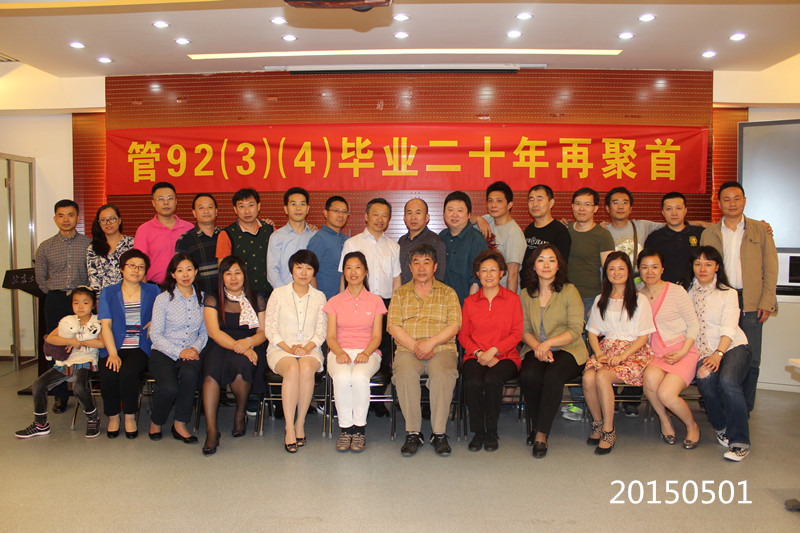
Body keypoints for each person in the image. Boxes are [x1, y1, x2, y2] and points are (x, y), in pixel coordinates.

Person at [700, 181, 778, 412]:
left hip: (750, 300)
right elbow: (703, 269)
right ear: (719, 203)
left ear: (744, 200)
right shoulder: (709, 233)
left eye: (737, 198)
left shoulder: (760, 230)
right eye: (726, 199)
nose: (732, 203)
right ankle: (719, 405)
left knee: (751, 357)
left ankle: (744, 408)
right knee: (717, 351)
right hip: (720, 299)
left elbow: (771, 268)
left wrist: (767, 301)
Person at [388, 244, 461, 457]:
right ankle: (413, 432)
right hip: (408, 349)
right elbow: (393, 326)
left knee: (443, 374)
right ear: (410, 267)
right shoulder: (400, 294)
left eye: (426, 262)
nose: (421, 268)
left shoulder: (448, 293)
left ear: (435, 266)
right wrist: (416, 346)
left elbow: (455, 325)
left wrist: (430, 344)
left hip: (442, 349)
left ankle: (439, 433)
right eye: (416, 263)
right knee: (405, 373)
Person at [518, 244, 587, 458]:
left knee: (552, 375)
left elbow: (575, 329)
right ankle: (538, 423)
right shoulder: (525, 294)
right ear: (533, 266)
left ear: (558, 266)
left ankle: (541, 434)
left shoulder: (569, 291)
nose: (546, 265)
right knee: (528, 375)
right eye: (541, 260)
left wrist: (548, 344)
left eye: (551, 260)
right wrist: (538, 347)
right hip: (536, 347)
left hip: (568, 349)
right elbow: (524, 329)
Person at [583, 252, 655, 455]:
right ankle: (598, 424)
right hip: (606, 350)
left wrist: (623, 356)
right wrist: (599, 354)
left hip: (633, 351)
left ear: (629, 272)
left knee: (603, 376)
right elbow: (592, 332)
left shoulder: (640, 299)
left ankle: (609, 430)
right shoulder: (600, 299)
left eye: (621, 268)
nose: (616, 273)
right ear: (606, 272)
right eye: (611, 269)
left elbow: (643, 337)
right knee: (588, 378)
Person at [686, 246, 752, 461]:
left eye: (708, 264)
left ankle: (740, 441)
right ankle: (721, 426)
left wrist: (718, 354)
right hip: (703, 351)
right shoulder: (686, 293)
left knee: (728, 382)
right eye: (697, 264)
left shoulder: (728, 293)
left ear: (717, 267)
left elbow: (729, 328)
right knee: (705, 377)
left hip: (732, 346)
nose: (702, 268)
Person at [15, 287, 104, 439]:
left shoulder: (98, 321)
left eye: (85, 302)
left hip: (86, 361)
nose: (80, 306)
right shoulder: (67, 320)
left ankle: (93, 419)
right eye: (76, 302)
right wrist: (69, 341)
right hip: (65, 362)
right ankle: (41, 424)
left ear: (93, 305)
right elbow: (50, 338)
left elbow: (101, 343)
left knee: (78, 387)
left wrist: (80, 342)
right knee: (38, 385)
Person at [201, 256, 267, 456]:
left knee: (241, 369)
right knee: (211, 376)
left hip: (250, 342)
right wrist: (241, 347)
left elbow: (263, 332)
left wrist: (248, 343)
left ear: (244, 275)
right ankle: (212, 430)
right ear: (222, 277)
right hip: (221, 343)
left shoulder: (257, 298)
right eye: (228, 273)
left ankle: (240, 414)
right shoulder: (212, 298)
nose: (233, 278)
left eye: (237, 273)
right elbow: (214, 332)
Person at [458, 249, 522, 453]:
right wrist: (479, 353)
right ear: (477, 274)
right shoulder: (469, 302)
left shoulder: (513, 299)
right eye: (483, 270)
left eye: (493, 270)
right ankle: (478, 432)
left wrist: (494, 351)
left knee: (493, 380)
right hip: (475, 355)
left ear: (502, 273)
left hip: (506, 356)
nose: (488, 274)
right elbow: (463, 335)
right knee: (473, 381)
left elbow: (516, 333)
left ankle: (492, 431)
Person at [637, 249, 701, 449]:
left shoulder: (676, 291)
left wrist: (683, 352)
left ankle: (692, 426)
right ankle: (664, 420)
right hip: (655, 354)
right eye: (645, 267)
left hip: (681, 351)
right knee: (650, 380)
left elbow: (694, 325)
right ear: (638, 270)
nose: (650, 272)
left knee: (666, 394)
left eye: (655, 267)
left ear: (662, 269)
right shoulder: (637, 295)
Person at [323, 251, 386, 452]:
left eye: (358, 267)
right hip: (339, 351)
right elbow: (330, 337)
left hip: (369, 352)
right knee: (342, 377)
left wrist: (366, 353)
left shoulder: (376, 301)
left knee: (359, 377)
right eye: (348, 268)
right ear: (344, 273)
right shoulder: (334, 301)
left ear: (365, 271)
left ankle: (359, 430)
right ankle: (345, 429)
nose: (353, 272)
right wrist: (339, 352)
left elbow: (377, 337)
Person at [265, 250, 327, 453]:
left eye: (308, 268)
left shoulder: (319, 297)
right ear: (291, 270)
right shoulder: (278, 294)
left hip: (311, 349)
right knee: (292, 368)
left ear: (314, 272)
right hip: (280, 348)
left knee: (306, 368)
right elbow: (270, 329)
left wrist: (306, 348)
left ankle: (300, 423)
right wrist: (289, 348)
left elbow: (321, 331)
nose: (303, 272)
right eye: (299, 267)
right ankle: (289, 427)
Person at [35, 199, 92, 413]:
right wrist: (54, 293)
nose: (66, 219)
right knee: (55, 346)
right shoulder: (45, 246)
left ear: (78, 217)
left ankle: (83, 390)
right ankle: (59, 395)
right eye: (61, 215)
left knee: (84, 343)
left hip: (82, 301)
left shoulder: (88, 244)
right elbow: (41, 278)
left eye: (70, 215)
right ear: (55, 219)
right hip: (56, 300)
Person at [562, 187, 614, 421]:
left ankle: (585, 403)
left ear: (595, 208)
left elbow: (609, 271)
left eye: (587, 204)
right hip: (565, 299)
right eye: (578, 204)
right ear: (572, 206)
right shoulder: (566, 232)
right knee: (571, 349)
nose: (581, 209)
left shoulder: (602, 235)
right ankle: (578, 399)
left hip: (591, 299)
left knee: (587, 348)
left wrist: (602, 302)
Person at [97, 249, 160, 439]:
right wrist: (112, 353)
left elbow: (164, 313)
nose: (136, 270)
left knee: (128, 373)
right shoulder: (109, 292)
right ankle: (113, 416)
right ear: (122, 269)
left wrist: (155, 321)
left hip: (139, 347)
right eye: (131, 265)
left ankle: (130, 416)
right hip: (113, 346)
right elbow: (106, 326)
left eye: (141, 267)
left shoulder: (153, 291)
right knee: (108, 374)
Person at [148, 253, 207, 443]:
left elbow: (204, 332)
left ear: (196, 272)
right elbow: (155, 334)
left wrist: (194, 349)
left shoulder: (203, 298)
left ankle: (180, 424)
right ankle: (156, 421)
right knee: (170, 388)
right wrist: (179, 351)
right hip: (164, 351)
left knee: (189, 375)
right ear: (173, 274)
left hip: (191, 351)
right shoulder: (163, 299)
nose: (185, 274)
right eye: (180, 270)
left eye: (189, 269)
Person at [216, 188, 274, 298]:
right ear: (235, 209)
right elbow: (224, 270)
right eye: (242, 206)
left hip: (271, 292)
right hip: (242, 296)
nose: (247, 211)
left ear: (258, 206)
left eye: (251, 205)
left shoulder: (271, 230)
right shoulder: (226, 234)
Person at [133, 182, 194, 284]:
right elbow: (139, 263)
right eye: (160, 199)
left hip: (184, 286)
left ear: (176, 201)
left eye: (170, 198)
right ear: (153, 203)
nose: (166, 202)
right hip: (155, 287)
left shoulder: (189, 228)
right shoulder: (144, 230)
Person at [470, 181, 526, 292]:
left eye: (499, 201)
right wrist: (477, 219)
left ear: (509, 205)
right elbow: (464, 222)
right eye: (490, 201)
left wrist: (510, 300)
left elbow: (513, 273)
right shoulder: (489, 219)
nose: (493, 205)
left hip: (503, 291)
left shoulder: (514, 233)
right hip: (487, 290)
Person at [439, 191, 488, 305]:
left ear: (469, 214)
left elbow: (478, 277)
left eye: (460, 210)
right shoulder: (442, 237)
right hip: (442, 303)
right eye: (450, 210)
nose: (454, 215)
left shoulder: (476, 239)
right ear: (444, 213)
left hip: (465, 304)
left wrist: (470, 305)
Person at [643, 192, 704, 283]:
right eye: (669, 209)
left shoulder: (700, 233)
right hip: (665, 288)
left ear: (685, 210)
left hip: (696, 287)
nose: (674, 213)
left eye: (678, 208)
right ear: (663, 212)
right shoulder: (654, 238)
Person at [267, 187, 317, 289]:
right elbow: (272, 271)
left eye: (302, 204)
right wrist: (286, 293)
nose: (298, 208)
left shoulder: (315, 235)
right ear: (286, 209)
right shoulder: (277, 237)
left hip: (310, 294)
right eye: (293, 204)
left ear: (308, 209)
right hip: (284, 294)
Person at [175, 193, 221, 296]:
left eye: (210, 207)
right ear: (194, 213)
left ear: (216, 211)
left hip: (225, 295)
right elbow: (180, 272)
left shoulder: (225, 235)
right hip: (198, 297)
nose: (206, 211)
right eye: (201, 208)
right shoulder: (184, 240)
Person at [307, 195, 350, 300]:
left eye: (344, 212)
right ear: (326, 213)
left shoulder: (347, 240)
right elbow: (309, 273)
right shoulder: (319, 239)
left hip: (344, 300)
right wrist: (317, 301)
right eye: (336, 211)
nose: (340, 215)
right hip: (325, 301)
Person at [87, 203, 135, 294]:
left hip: (129, 295)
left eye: (112, 219)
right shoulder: (93, 248)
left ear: (119, 220)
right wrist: (97, 299)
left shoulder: (132, 244)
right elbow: (93, 278)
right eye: (103, 220)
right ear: (99, 223)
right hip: (104, 297)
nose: (108, 223)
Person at [522, 184, 571, 270]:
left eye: (540, 200)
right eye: (531, 200)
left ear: (551, 203)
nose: (535, 204)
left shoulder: (560, 231)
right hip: (527, 278)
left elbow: (561, 266)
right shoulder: (529, 229)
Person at [398, 198, 446, 285]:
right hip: (403, 292)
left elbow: (440, 275)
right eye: (409, 213)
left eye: (418, 213)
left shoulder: (436, 242)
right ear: (404, 218)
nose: (413, 217)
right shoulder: (401, 241)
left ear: (427, 217)